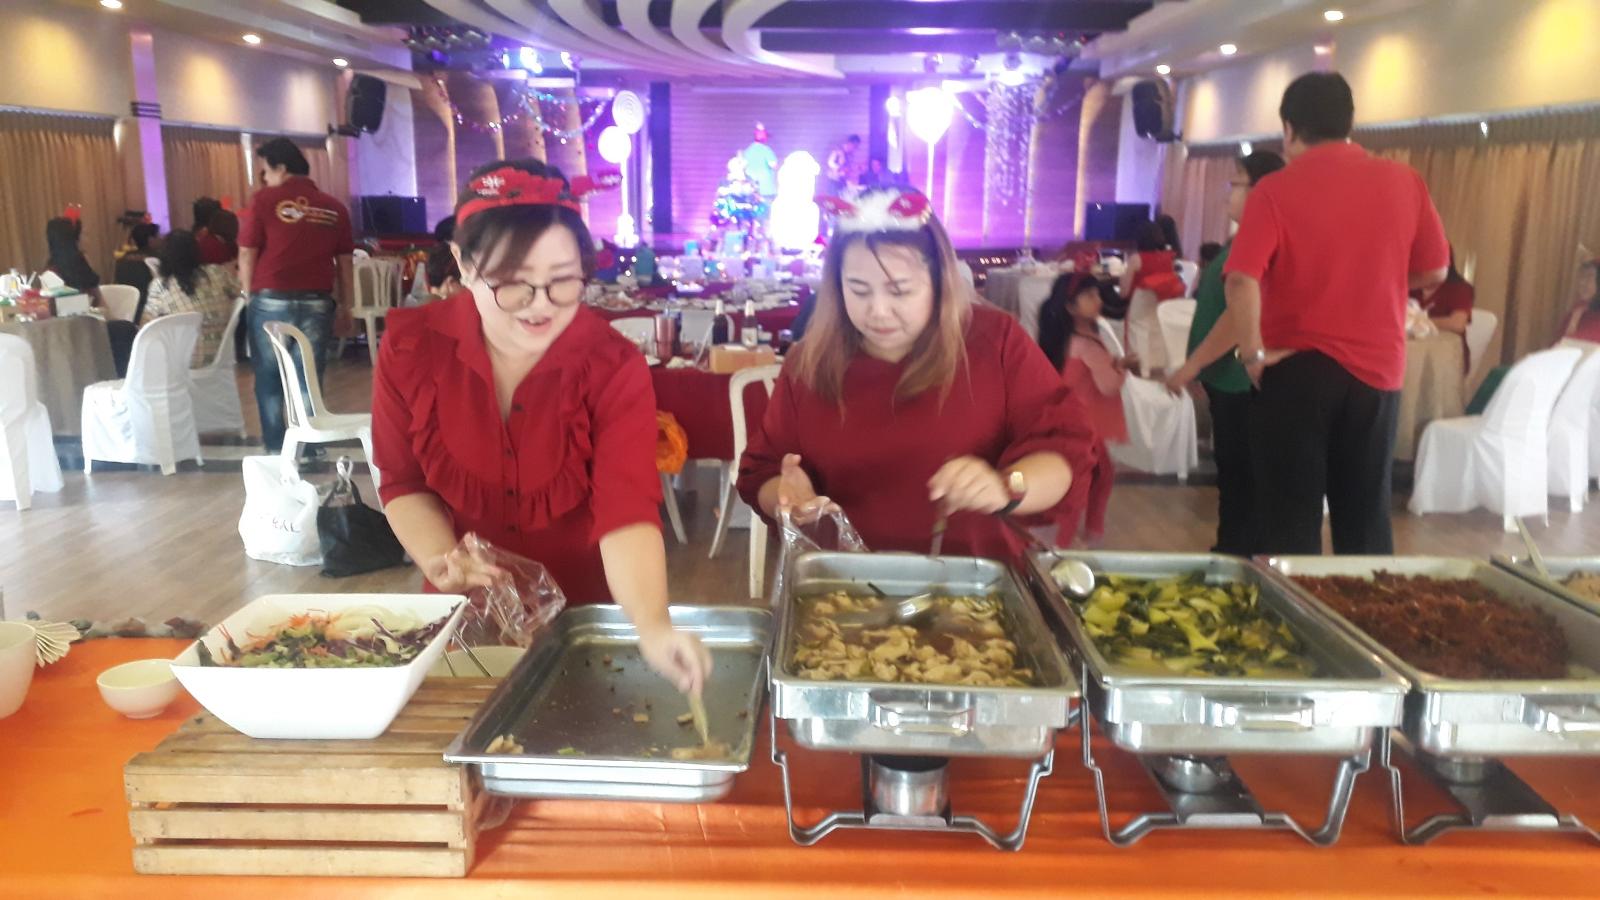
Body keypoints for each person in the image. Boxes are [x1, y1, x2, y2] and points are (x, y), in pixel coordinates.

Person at [371, 158, 709, 694]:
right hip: (465, 625)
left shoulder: (611, 364)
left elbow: (626, 511)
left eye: (562, 282)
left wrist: (651, 624)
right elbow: (403, 482)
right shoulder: (413, 347)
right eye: (513, 284)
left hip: (583, 628)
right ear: (462, 263)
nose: (540, 306)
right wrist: (441, 559)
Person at [736, 188, 1094, 559]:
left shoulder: (995, 343)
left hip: (976, 577)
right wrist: (786, 495)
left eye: (900, 291)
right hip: (843, 580)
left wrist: (1007, 487)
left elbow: (1063, 450)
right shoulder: (809, 363)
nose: (878, 311)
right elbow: (761, 471)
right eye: (858, 290)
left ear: (939, 282)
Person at [1226, 72, 1448, 555]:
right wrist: (1377, 280)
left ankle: (1294, 606)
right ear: (1350, 122)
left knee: (1289, 523)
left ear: (1289, 129)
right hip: (1378, 373)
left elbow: (1241, 279)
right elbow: (1435, 269)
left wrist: (1252, 354)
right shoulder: (1404, 180)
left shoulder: (1274, 190)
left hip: (1295, 368)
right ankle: (1365, 605)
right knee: (1366, 519)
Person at [1163, 150, 1286, 555]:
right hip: (1227, 378)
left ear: (1261, 191)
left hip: (1240, 379)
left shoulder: (1257, 245)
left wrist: (1193, 366)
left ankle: (1237, 557)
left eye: (1236, 184)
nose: (1228, 193)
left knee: (1241, 479)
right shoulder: (1242, 240)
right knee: (1235, 477)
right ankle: (1234, 551)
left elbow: (1238, 319)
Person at [238, 137, 356, 454]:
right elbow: (345, 262)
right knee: (309, 377)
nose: (264, 179)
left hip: (270, 299)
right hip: (317, 301)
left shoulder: (264, 200)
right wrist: (346, 305)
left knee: (269, 377)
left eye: (265, 171)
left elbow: (247, 252)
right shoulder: (334, 207)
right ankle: (310, 445)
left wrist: (249, 295)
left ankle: (277, 449)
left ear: (281, 167)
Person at [1037, 273, 1130, 545]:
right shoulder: (1088, 344)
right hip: (1084, 427)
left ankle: (1079, 536)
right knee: (1088, 482)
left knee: (1091, 477)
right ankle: (1073, 541)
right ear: (1071, 307)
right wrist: (1122, 368)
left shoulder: (1062, 339)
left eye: (1097, 294)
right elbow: (1109, 386)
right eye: (1089, 296)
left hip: (1063, 423)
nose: (1097, 300)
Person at [144, 230, 241, 367]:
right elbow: (240, 293)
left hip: (182, 358)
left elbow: (147, 325)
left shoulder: (161, 285)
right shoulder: (218, 273)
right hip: (222, 352)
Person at [1119, 220, 1187, 302]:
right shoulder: (1169, 259)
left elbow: (1124, 293)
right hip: (1162, 306)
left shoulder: (1136, 259)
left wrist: (1122, 278)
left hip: (1138, 306)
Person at [113, 221, 161, 322]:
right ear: (151, 239)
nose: (160, 239)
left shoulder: (122, 259)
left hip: (126, 308)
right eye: (158, 236)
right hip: (149, 310)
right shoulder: (157, 259)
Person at [1560, 259, 1600, 342]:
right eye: (1582, 277)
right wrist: (1574, 320)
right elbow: (1559, 344)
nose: (1582, 283)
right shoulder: (1577, 311)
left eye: (1589, 277)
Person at [739, 122, 779, 202]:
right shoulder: (766, 150)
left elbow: (742, 167)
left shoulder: (747, 151)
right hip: (766, 190)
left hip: (751, 191)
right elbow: (774, 165)